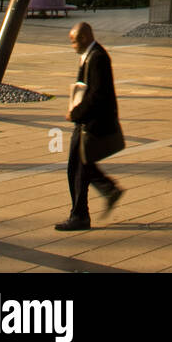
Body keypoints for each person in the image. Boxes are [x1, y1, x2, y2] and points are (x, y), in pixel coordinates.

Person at [56, 22, 124, 230]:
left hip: (92, 123)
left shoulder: (98, 58)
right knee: (80, 167)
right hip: (87, 121)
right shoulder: (91, 56)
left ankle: (80, 215)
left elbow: (97, 95)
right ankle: (106, 192)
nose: (72, 45)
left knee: (77, 168)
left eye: (73, 41)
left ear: (84, 38)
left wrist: (76, 113)